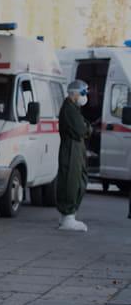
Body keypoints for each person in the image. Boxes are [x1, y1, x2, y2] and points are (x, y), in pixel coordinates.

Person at [57, 80, 91, 231]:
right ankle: (68, 216)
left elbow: (84, 127)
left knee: (79, 179)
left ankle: (69, 215)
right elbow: (81, 129)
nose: (84, 96)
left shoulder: (74, 108)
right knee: (71, 181)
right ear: (74, 94)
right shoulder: (69, 109)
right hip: (71, 149)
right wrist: (87, 128)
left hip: (76, 148)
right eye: (83, 93)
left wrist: (86, 127)